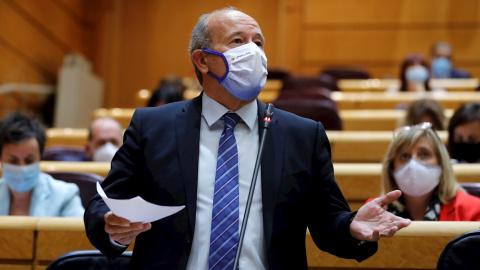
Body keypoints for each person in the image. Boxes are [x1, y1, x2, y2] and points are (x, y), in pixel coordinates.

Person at [84, 8, 410, 269]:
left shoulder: (302, 135)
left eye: (259, 42)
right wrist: (112, 226)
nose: (253, 51)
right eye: (238, 41)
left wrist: (352, 226)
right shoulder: (152, 126)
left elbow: (328, 224)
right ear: (202, 59)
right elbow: (104, 204)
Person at [366, 123, 480, 221]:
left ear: (441, 163)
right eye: (404, 156)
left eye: (424, 154)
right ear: (391, 168)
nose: (413, 164)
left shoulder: (473, 210)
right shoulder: (374, 210)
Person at [0, 111, 84, 217]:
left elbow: (77, 233)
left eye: (29, 160)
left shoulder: (65, 196)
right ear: (1, 159)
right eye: (13, 160)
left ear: (40, 157)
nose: (22, 167)